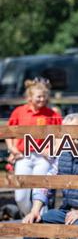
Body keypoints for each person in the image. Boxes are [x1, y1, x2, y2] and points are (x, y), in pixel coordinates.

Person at [6, 78, 62, 217]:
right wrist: (12, 148)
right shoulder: (19, 112)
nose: (42, 99)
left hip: (43, 157)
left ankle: (39, 223)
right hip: (23, 156)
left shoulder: (52, 114)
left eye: (44, 96)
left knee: (39, 193)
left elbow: (61, 136)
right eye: (38, 96)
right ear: (30, 97)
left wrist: (52, 149)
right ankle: (31, 217)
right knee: (20, 196)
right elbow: (8, 132)